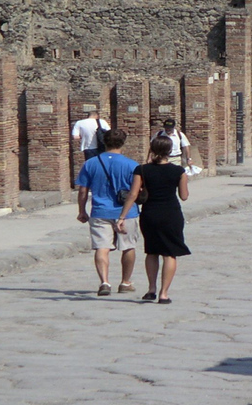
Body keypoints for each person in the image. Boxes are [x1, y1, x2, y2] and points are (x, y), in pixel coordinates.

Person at [117, 136, 190, 304]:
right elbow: (184, 196)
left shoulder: (142, 170)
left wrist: (122, 216)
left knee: (151, 251)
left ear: (152, 149)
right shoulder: (178, 171)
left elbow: (133, 194)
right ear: (170, 151)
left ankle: (151, 289)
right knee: (169, 253)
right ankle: (164, 294)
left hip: (150, 213)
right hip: (171, 214)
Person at [75, 129, 139, 296]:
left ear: (104, 142)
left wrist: (81, 211)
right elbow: (137, 191)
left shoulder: (90, 163)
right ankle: (125, 282)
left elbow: (83, 191)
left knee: (101, 247)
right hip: (126, 212)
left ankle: (104, 281)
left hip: (100, 210)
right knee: (128, 247)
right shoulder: (132, 165)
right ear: (123, 143)